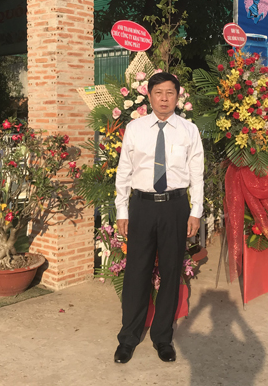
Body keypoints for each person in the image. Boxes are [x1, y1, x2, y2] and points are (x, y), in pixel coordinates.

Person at [113, 72, 204, 363]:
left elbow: (197, 174)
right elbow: (124, 171)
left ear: (178, 96)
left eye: (170, 93)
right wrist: (122, 210)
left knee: (170, 271)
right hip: (142, 206)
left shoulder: (189, 130)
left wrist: (196, 211)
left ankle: (163, 337)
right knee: (136, 272)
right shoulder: (135, 128)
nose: (164, 99)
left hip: (175, 207)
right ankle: (128, 337)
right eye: (158, 93)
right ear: (149, 96)